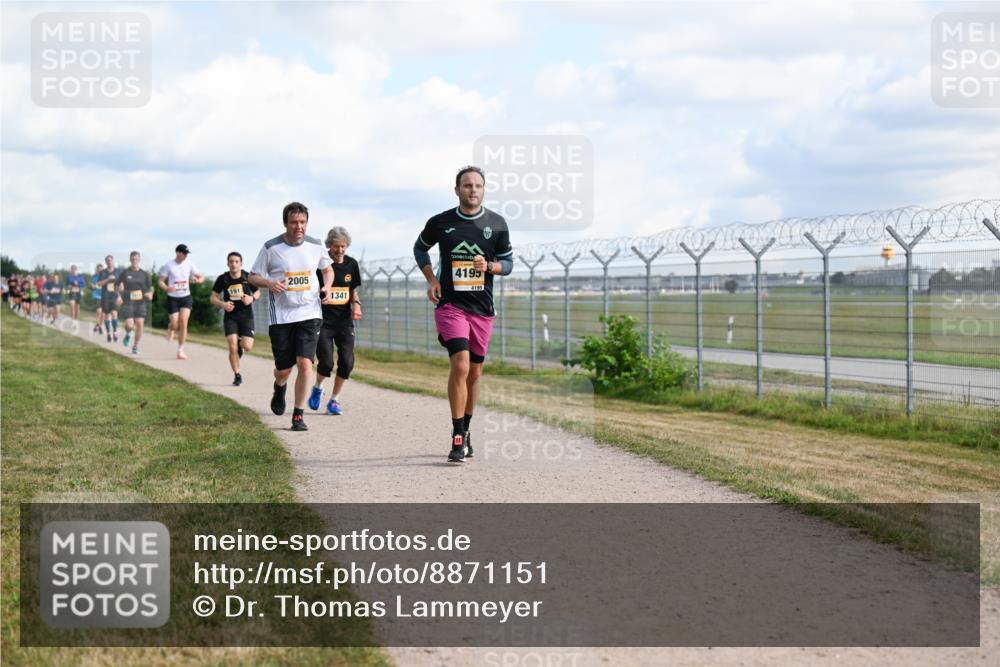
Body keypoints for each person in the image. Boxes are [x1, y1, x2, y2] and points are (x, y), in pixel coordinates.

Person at [413, 165, 514, 463]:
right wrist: (431, 279)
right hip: (450, 305)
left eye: (478, 186)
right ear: (456, 190)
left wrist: (491, 267)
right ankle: (457, 437)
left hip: (482, 309)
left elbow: (508, 263)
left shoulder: (496, 224)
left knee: (475, 373)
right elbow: (420, 249)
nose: (473, 190)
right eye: (467, 185)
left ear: (483, 190)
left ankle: (467, 430)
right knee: (460, 364)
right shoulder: (441, 222)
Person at [249, 202, 333, 432]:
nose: (299, 227)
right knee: (284, 369)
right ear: (285, 223)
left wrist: (327, 287)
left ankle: (298, 415)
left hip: (310, 311)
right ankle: (279, 386)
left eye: (303, 222)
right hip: (282, 316)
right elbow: (253, 276)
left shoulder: (316, 245)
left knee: (305, 363)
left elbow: (327, 269)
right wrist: (269, 283)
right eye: (294, 222)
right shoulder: (271, 247)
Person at [308, 226, 362, 415]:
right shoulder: (321, 266)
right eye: (336, 246)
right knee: (326, 362)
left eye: (343, 246)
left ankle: (334, 400)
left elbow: (353, 289)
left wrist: (356, 304)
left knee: (347, 362)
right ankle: (318, 387)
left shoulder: (352, 265)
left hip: (344, 321)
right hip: (323, 321)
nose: (340, 250)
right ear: (329, 245)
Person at [210, 251, 260, 386]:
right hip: (231, 316)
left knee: (247, 346)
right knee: (232, 346)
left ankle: (241, 347)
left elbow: (257, 292)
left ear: (241, 264)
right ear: (227, 264)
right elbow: (213, 297)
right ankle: (237, 375)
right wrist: (223, 304)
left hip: (246, 316)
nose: (233, 264)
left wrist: (251, 298)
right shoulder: (223, 279)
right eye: (231, 261)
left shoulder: (247, 276)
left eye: (236, 261)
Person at [158, 243, 204, 360]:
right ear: (177, 253)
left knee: (183, 322)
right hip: (173, 298)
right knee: (175, 324)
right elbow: (161, 281)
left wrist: (197, 280)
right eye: (183, 253)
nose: (185, 256)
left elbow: (201, 276)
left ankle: (180, 350)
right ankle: (171, 328)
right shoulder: (169, 265)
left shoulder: (189, 264)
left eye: (186, 254)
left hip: (186, 297)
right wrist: (166, 288)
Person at [115, 251, 153, 355]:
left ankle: (135, 346)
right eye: (132, 259)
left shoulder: (144, 274)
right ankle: (128, 333)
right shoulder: (125, 273)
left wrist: (150, 294)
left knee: (140, 324)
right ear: (130, 260)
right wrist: (118, 296)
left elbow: (150, 287)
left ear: (139, 260)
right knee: (129, 325)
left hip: (140, 302)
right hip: (128, 301)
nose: (134, 261)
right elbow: (117, 285)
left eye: (136, 259)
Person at [96, 256, 119, 341]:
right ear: (106, 262)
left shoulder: (117, 272)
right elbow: (99, 284)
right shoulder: (103, 272)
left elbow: (120, 284)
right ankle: (108, 333)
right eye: (107, 261)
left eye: (110, 260)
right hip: (105, 296)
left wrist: (119, 296)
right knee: (106, 316)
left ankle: (115, 332)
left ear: (113, 261)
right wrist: (108, 279)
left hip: (114, 296)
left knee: (114, 314)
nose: (109, 262)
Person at [91, 263, 104, 334]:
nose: (100, 271)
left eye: (101, 270)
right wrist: (94, 286)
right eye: (99, 270)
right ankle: (97, 323)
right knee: (99, 311)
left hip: (104, 296)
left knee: (103, 313)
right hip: (97, 295)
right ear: (97, 270)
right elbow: (92, 285)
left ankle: (99, 325)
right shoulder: (94, 277)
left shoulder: (105, 276)